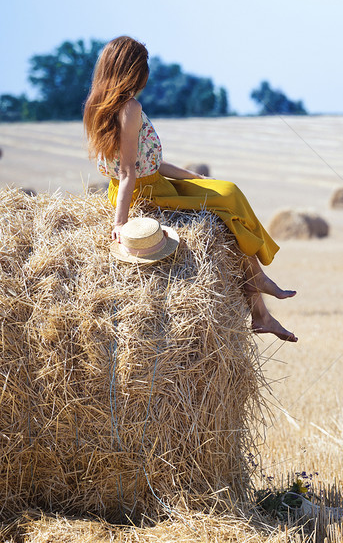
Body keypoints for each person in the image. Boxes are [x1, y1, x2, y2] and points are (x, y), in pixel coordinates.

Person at [83, 36, 297, 342]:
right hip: (146, 191)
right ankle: (258, 279)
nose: (147, 75)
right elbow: (130, 170)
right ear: (132, 70)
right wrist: (120, 223)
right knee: (229, 197)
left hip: (139, 185)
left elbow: (146, 162)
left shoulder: (94, 105)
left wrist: (193, 178)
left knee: (222, 196)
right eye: (144, 67)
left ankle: (261, 311)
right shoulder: (130, 108)